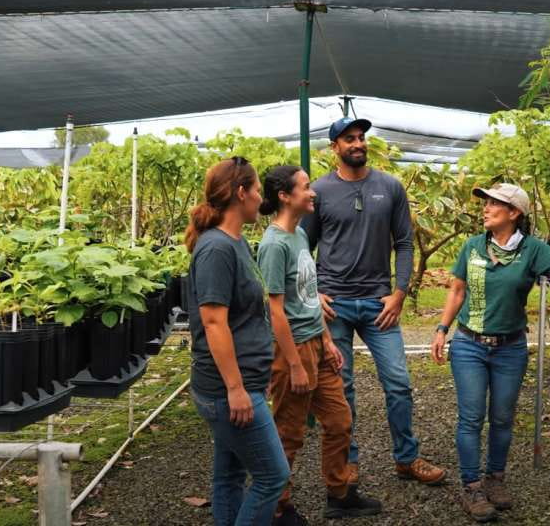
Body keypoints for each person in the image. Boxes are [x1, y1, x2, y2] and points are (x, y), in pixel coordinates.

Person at [429, 182, 550, 522]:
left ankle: (495, 479)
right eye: (485, 204)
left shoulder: (533, 250)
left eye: (494, 204)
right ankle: (471, 486)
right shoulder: (471, 247)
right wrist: (441, 329)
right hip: (469, 345)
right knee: (470, 418)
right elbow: (456, 291)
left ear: (514, 213)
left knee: (501, 418)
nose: (485, 209)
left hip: (510, 348)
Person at [301, 117, 447, 489]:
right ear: (334, 146)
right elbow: (302, 249)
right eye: (349, 138)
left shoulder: (389, 187)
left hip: (378, 305)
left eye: (361, 137)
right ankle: (346, 463)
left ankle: (407, 458)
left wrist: (399, 293)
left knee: (398, 382)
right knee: (341, 386)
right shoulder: (319, 192)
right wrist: (313, 293)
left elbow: (404, 242)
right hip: (334, 304)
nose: (358, 143)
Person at [257, 165, 383, 524]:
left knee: (340, 420)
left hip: (316, 342)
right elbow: (276, 311)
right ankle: (278, 507)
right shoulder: (274, 244)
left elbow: (309, 296)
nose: (313, 193)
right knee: (289, 432)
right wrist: (295, 363)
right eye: (306, 187)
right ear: (285, 196)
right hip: (292, 350)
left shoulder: (298, 235)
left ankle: (339, 493)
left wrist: (327, 339)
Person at [186, 156, 289, 526]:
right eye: (258, 190)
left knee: (229, 475)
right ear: (241, 192)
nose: (261, 199)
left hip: (243, 383)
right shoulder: (216, 248)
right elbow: (214, 323)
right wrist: (236, 388)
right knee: (272, 476)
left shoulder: (236, 241)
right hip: (227, 389)